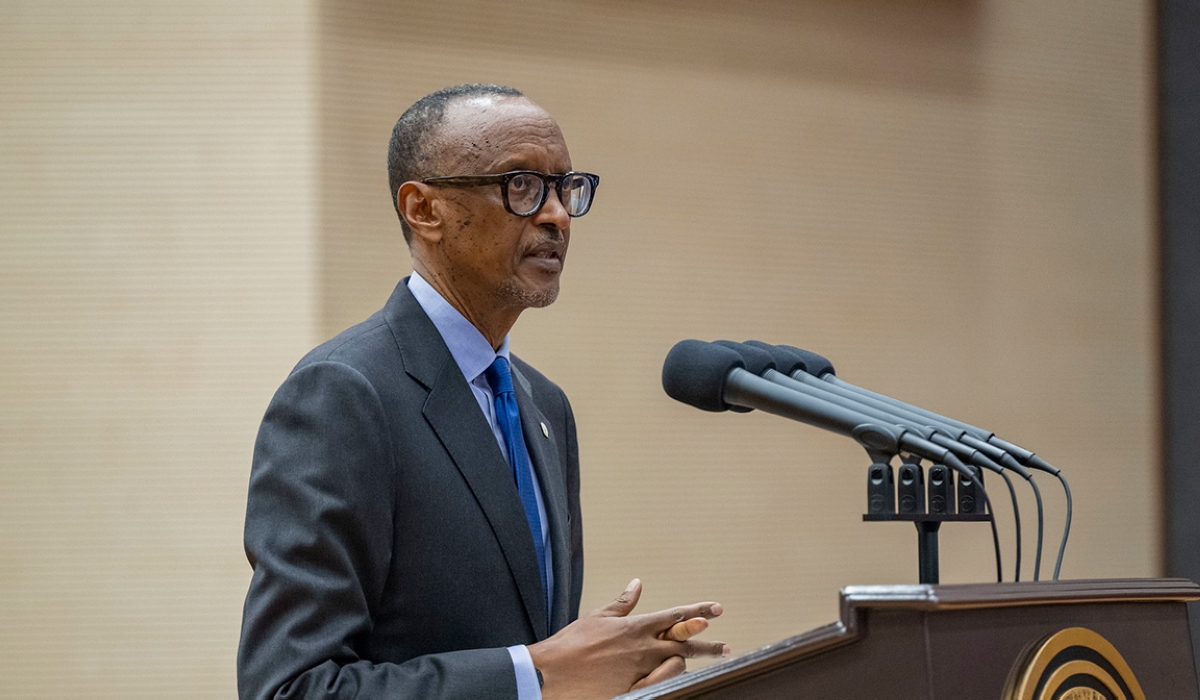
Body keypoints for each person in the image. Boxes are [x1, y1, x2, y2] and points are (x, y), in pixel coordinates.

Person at [237, 84, 728, 700]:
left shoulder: (544, 405)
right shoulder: (343, 395)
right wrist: (538, 676)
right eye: (520, 185)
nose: (554, 215)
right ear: (424, 209)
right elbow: (291, 687)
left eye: (563, 187)